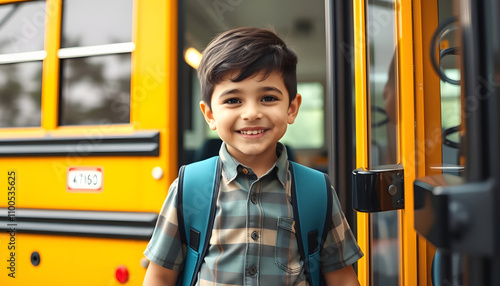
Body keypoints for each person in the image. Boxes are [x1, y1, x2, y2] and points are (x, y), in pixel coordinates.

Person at [143, 27, 363, 286]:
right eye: (233, 100)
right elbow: (159, 276)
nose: (251, 113)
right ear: (210, 114)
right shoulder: (190, 186)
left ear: (292, 109)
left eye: (268, 98)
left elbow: (343, 279)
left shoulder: (317, 190)